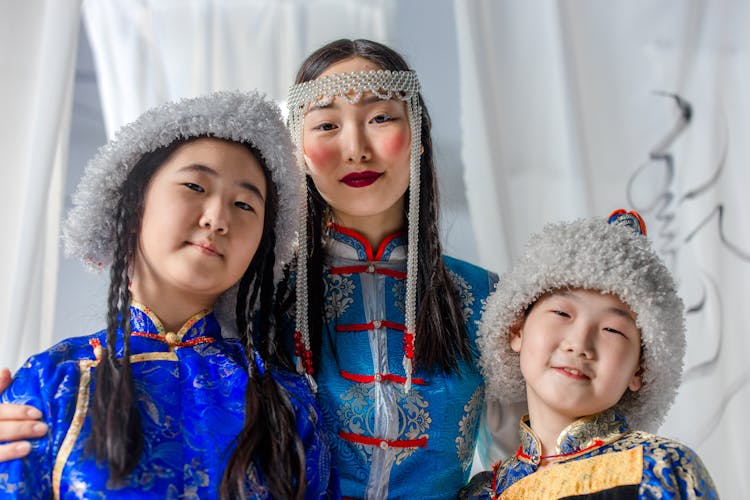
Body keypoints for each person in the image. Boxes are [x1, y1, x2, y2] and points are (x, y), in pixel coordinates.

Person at [0, 91, 336, 498]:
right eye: (195, 185)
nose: (217, 218)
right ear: (133, 202)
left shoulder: (286, 404)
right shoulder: (53, 382)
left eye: (245, 205)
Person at [280, 39, 500, 498]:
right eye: (326, 124)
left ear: (418, 136)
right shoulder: (266, 294)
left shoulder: (488, 298)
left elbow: (527, 458)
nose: (356, 149)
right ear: (298, 150)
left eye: (380, 118)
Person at [460, 210, 718, 499]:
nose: (580, 343)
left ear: (639, 370)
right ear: (516, 330)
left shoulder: (662, 470)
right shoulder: (485, 494)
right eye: (561, 313)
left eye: (612, 330)